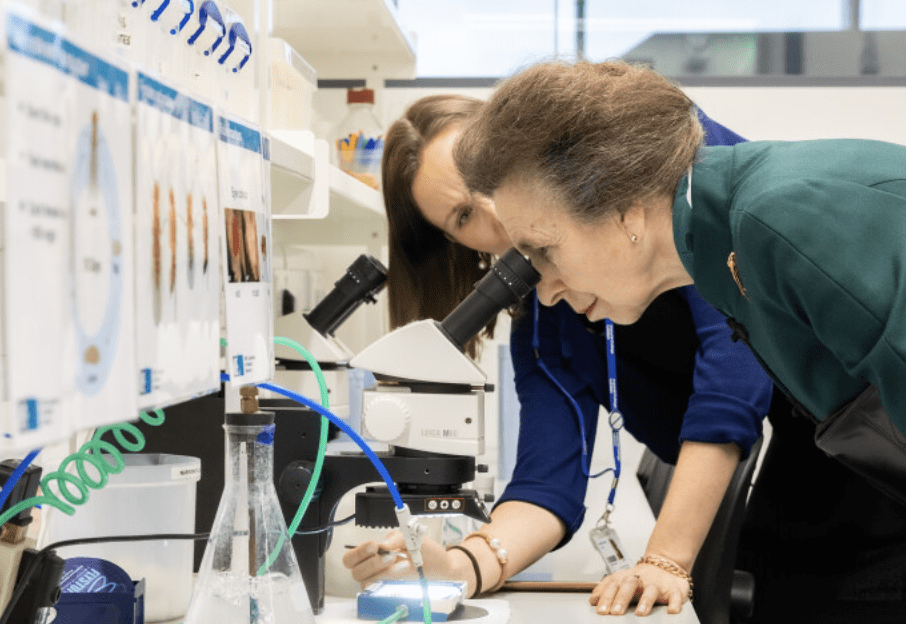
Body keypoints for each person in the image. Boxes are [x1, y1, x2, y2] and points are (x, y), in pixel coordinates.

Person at [453, 59, 906, 621]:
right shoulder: (722, 259)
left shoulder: (778, 217)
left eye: (545, 249)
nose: (543, 292)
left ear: (624, 211)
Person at [342, 94, 775, 617]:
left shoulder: (663, 164)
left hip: (869, 429)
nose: (494, 214)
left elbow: (733, 376)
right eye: (463, 216)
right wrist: (459, 566)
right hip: (787, 486)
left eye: (484, 178)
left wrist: (665, 557)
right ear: (458, 244)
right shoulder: (548, 317)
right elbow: (547, 481)